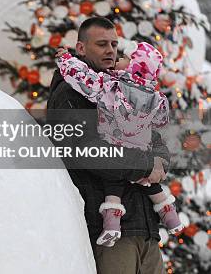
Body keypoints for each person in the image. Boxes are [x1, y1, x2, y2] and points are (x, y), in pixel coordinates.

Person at [46, 17, 170, 274]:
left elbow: (155, 138)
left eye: (114, 44)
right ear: (81, 48)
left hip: (145, 227)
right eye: (102, 44)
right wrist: (146, 165)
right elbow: (85, 150)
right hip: (109, 230)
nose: (111, 50)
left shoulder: (124, 89)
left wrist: (160, 161)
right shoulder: (70, 93)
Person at [55, 42, 184, 248]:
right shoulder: (156, 99)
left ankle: (112, 226)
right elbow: (160, 121)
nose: (117, 59)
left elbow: (85, 79)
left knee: (112, 183)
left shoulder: (111, 87)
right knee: (149, 182)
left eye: (124, 58)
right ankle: (170, 215)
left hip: (115, 145)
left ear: (134, 66)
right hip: (143, 151)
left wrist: (66, 60)